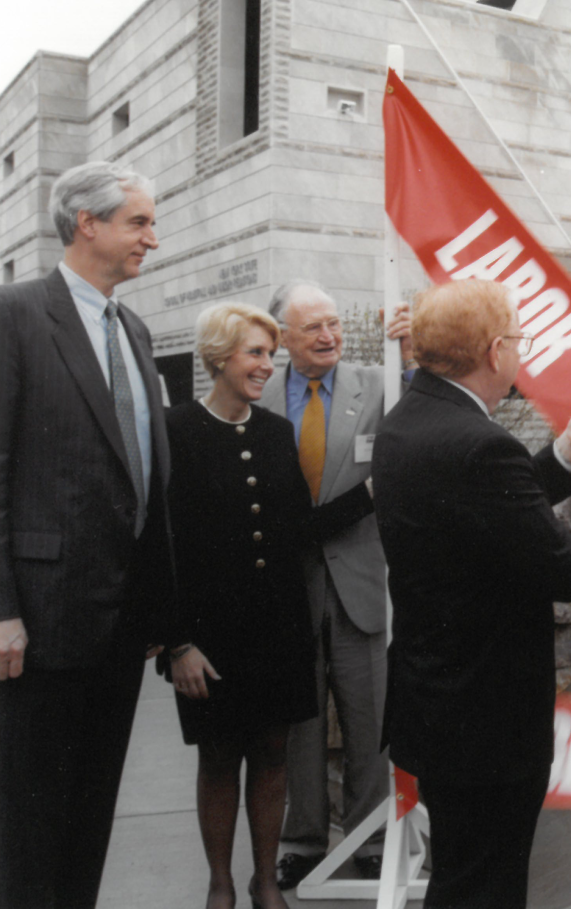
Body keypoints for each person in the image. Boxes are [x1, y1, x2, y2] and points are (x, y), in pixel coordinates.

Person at [371, 279, 571, 908]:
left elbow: (493, 517)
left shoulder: (407, 424)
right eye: (518, 339)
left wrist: (566, 450)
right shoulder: (478, 443)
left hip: (437, 707)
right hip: (486, 722)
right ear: (495, 351)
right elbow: (556, 562)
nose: (521, 351)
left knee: (464, 875)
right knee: (484, 887)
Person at [0, 161, 174, 909]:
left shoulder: (131, 326)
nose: (153, 239)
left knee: (91, 814)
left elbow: (143, 476)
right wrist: (2, 608)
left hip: (120, 622)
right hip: (38, 620)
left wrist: (161, 608)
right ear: (87, 223)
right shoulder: (14, 313)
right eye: (139, 222)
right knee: (29, 824)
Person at [164, 303, 374, 909]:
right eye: (255, 353)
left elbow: (295, 531)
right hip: (207, 639)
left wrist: (367, 493)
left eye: (269, 353)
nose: (267, 365)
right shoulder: (174, 429)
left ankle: (262, 882)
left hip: (278, 630)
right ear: (219, 357)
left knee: (274, 756)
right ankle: (221, 885)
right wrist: (175, 643)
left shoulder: (275, 433)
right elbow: (162, 546)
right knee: (219, 759)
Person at [261, 281, 410, 886]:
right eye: (312, 328)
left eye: (334, 324)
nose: (329, 336)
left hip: (360, 583)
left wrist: (415, 351)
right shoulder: (259, 395)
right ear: (282, 341)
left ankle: (371, 836)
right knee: (300, 723)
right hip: (288, 588)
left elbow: (430, 406)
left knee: (369, 716)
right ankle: (301, 839)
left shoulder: (379, 384)